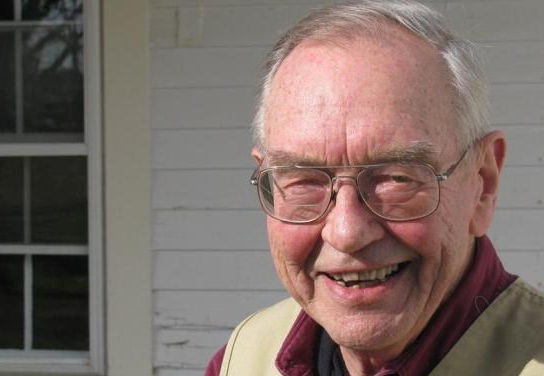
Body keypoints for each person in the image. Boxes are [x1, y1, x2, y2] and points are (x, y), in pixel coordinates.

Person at [206, 1, 544, 375]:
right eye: (304, 180)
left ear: (482, 184)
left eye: (396, 178)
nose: (347, 233)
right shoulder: (245, 357)